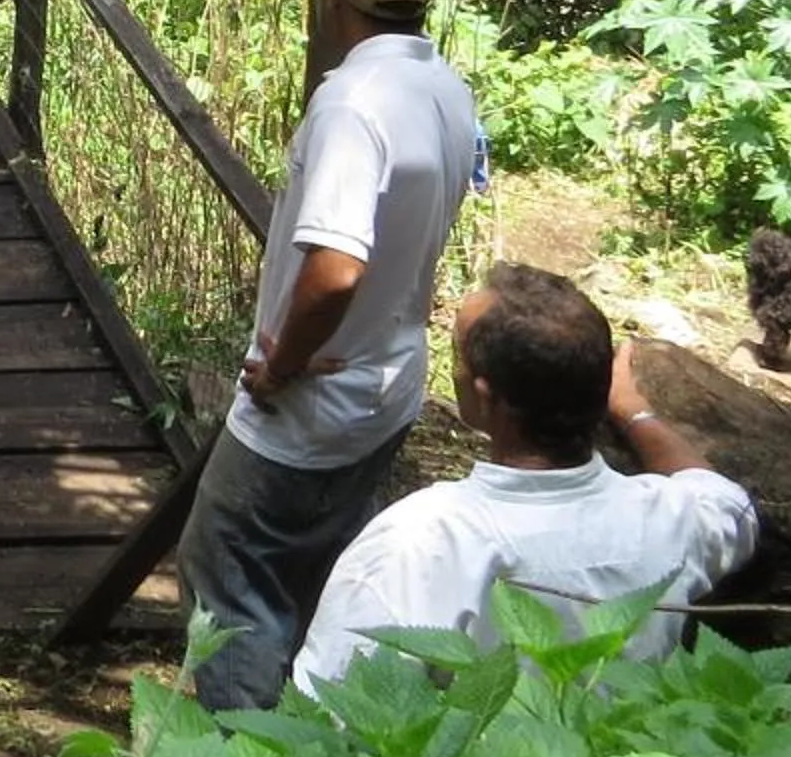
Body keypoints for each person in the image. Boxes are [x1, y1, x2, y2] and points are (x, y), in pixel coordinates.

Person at [178, 0, 486, 710]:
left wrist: (278, 365)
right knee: (316, 575)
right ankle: (315, 745)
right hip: (387, 383)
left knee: (228, 583)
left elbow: (337, 265)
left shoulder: (354, 105)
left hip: (312, 399)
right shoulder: (443, 87)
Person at [292, 266, 756, 690]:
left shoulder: (421, 541)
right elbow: (728, 503)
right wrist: (634, 411)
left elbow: (331, 707)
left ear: (484, 396)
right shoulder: (670, 520)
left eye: (456, 352)